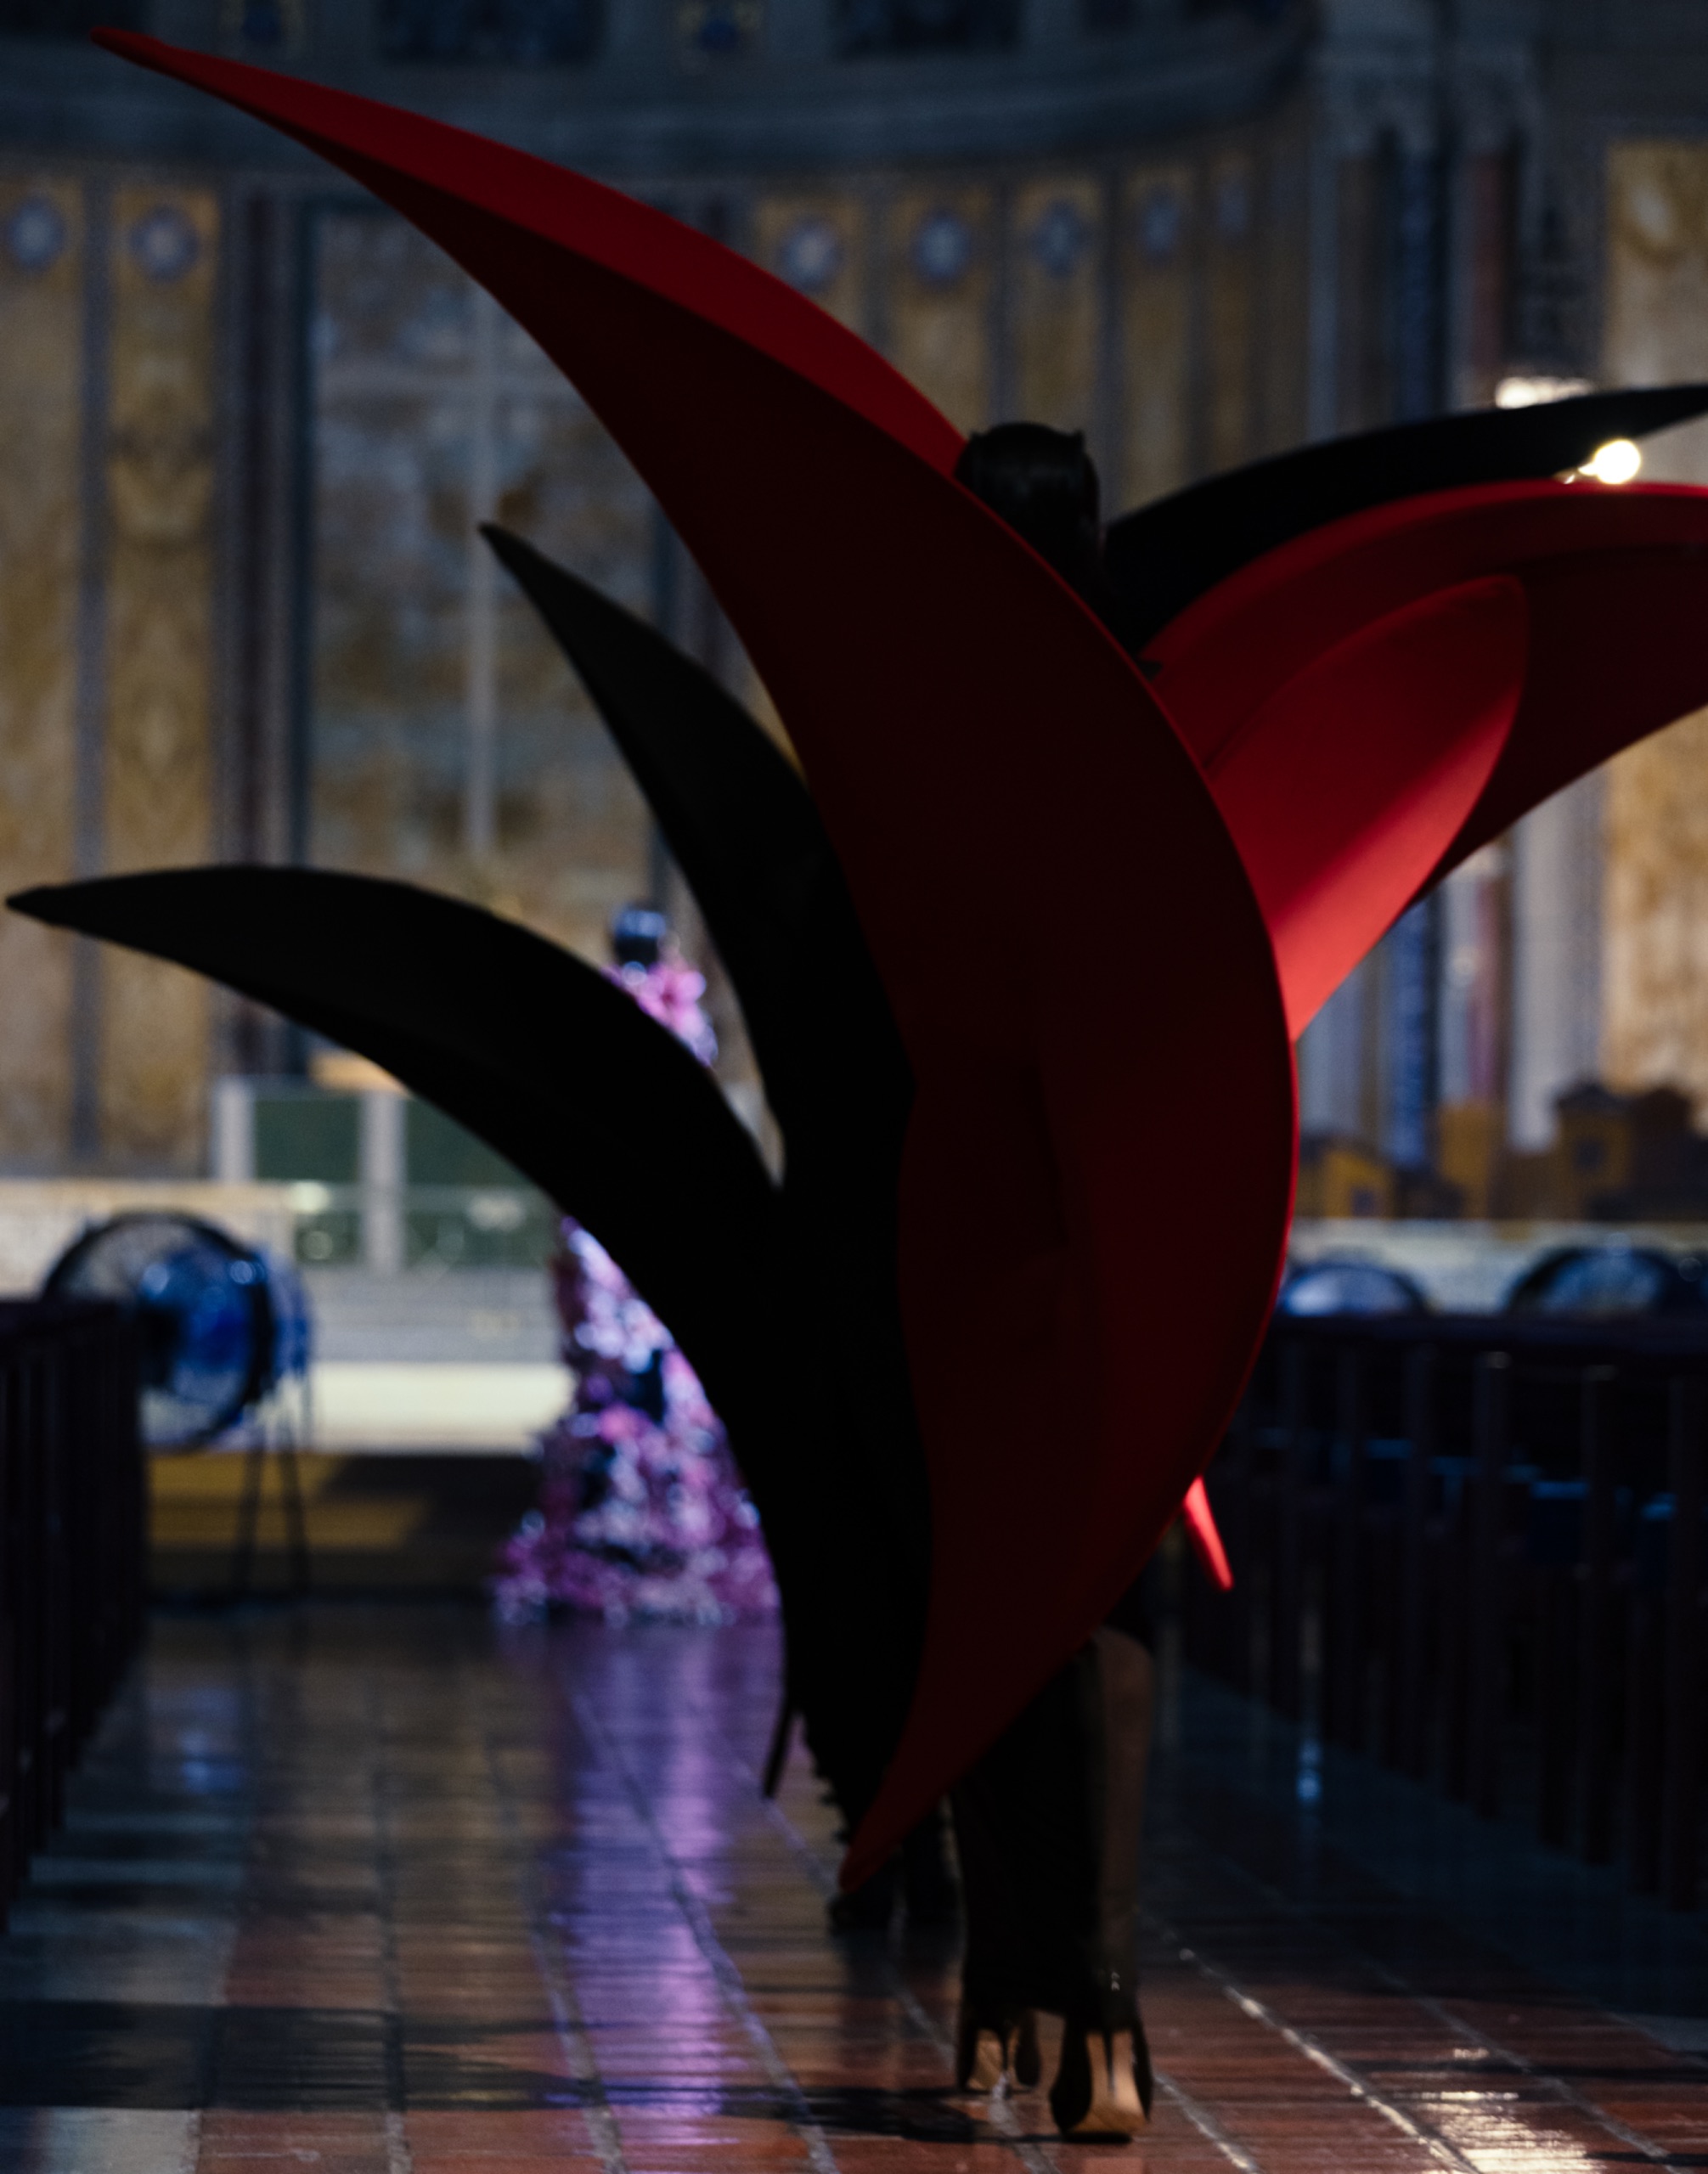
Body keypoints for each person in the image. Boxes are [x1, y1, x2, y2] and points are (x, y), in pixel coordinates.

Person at [946, 425, 1160, 2141]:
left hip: (969, 1206)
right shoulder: (1156, 711)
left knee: (986, 1597)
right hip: (1139, 1206)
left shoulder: (916, 723)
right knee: (1108, 1607)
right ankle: (1101, 2008)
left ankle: (1008, 1980)